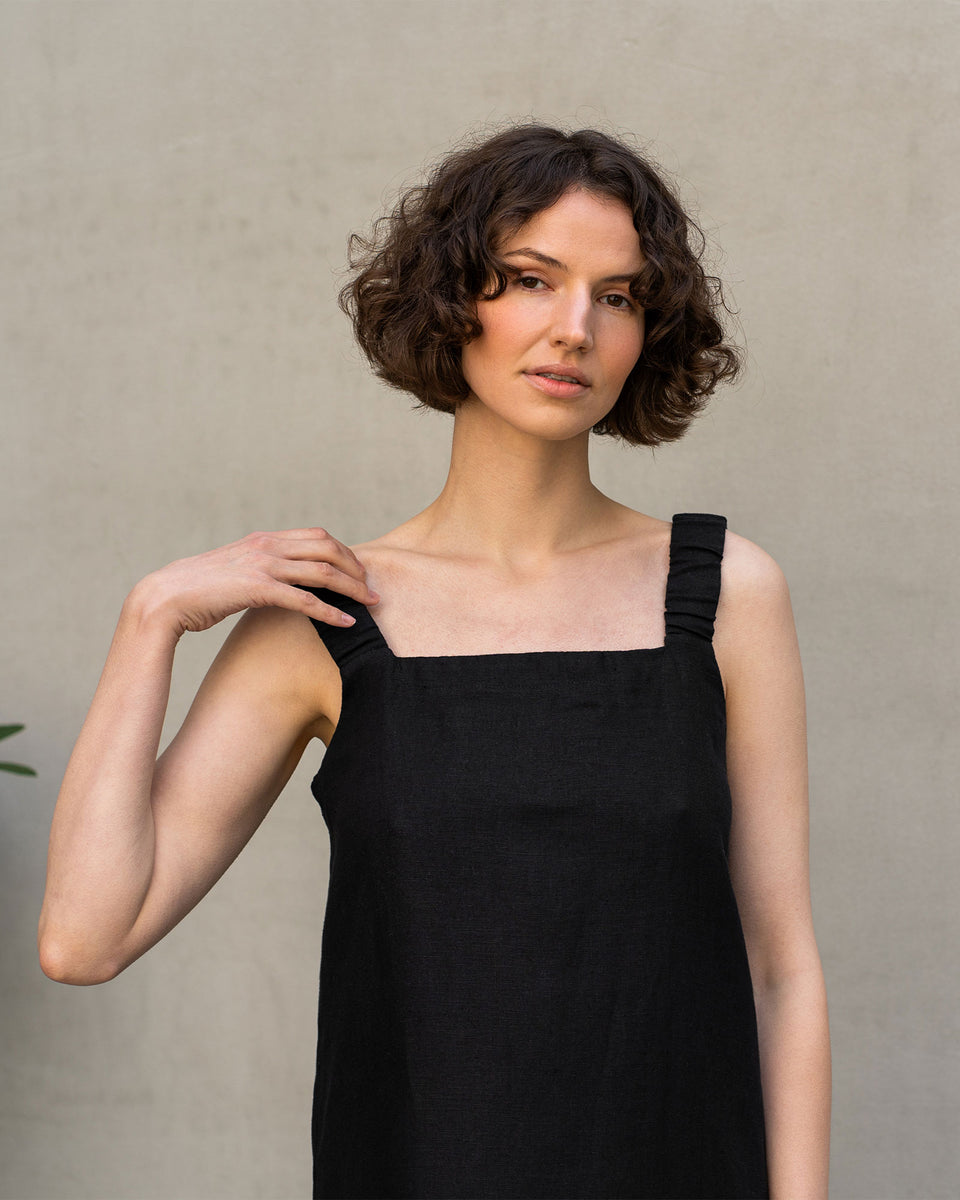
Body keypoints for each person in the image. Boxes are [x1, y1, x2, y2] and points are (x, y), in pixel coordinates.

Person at [39, 123, 831, 1199]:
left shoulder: (725, 593)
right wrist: (152, 618)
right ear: (452, 297)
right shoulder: (326, 618)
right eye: (530, 280)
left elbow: (781, 972)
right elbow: (83, 940)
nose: (574, 329)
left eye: (618, 296)